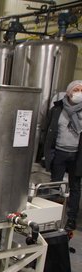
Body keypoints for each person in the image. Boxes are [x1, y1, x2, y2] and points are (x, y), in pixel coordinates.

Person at [43, 80, 82, 231]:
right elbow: (48, 131)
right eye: (76, 89)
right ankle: (52, 215)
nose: (79, 93)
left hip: (77, 155)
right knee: (55, 184)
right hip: (59, 152)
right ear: (69, 92)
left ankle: (71, 219)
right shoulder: (57, 109)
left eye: (81, 90)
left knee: (75, 187)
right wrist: (47, 154)